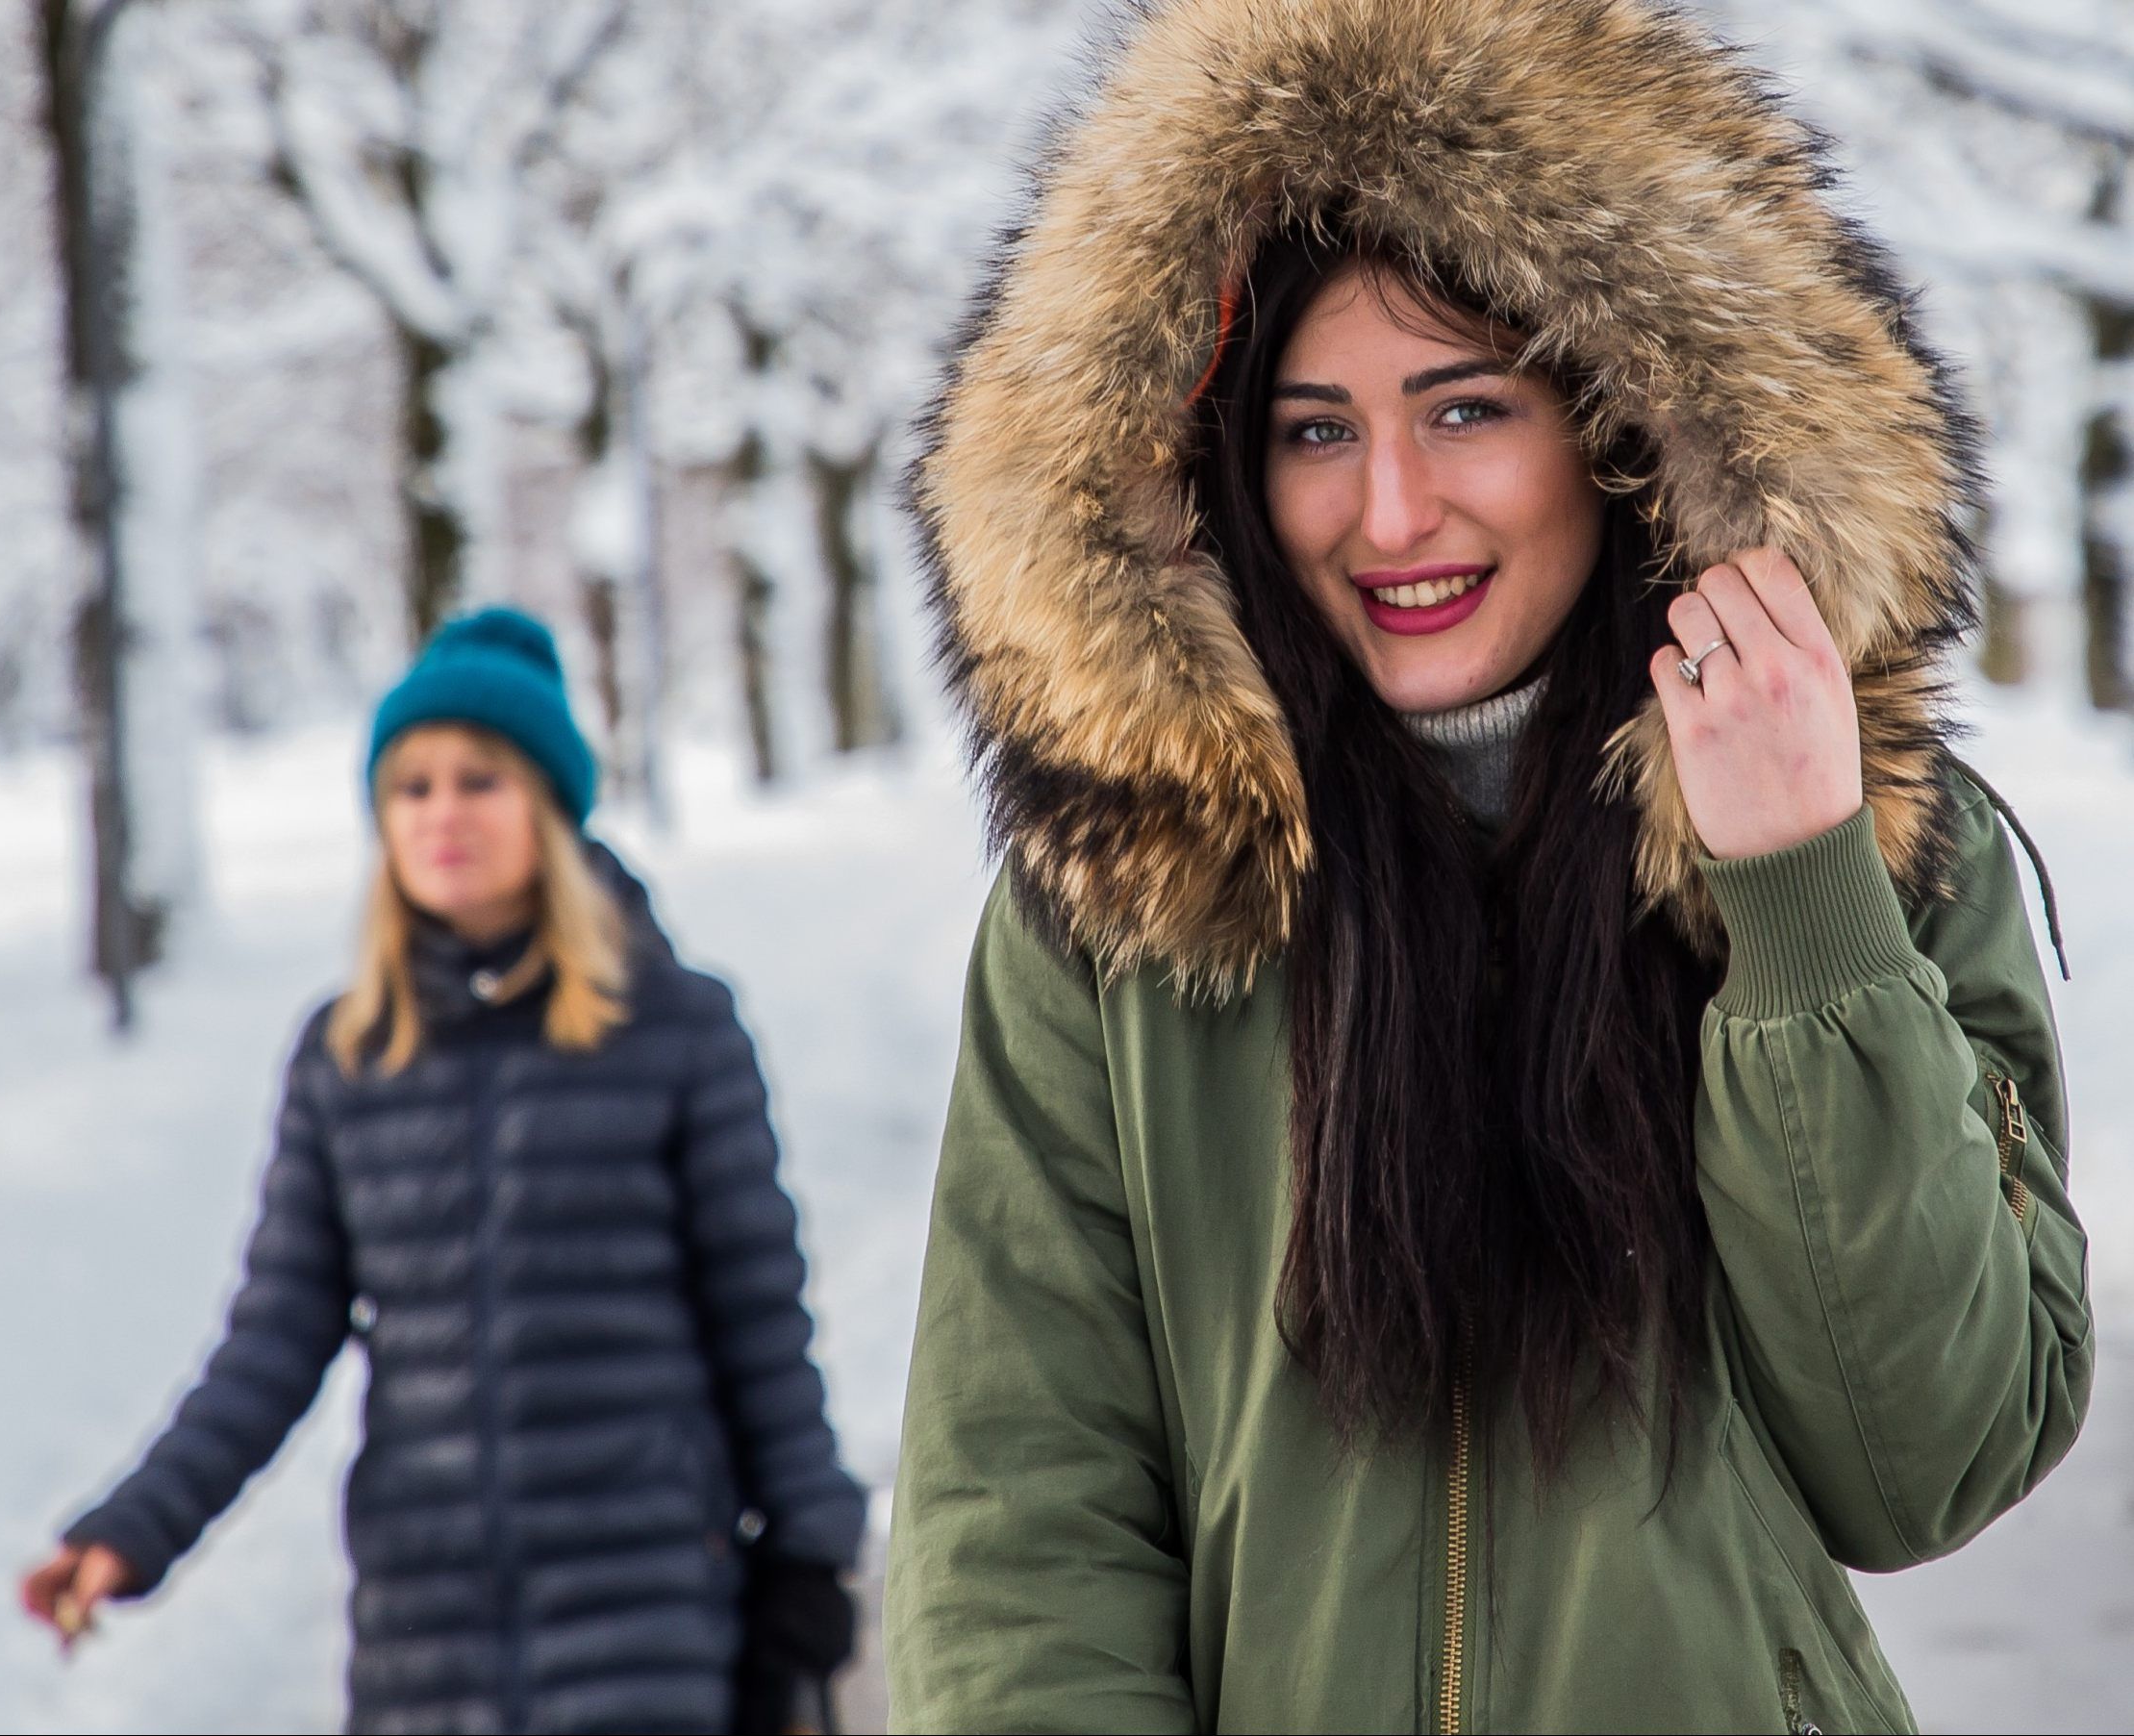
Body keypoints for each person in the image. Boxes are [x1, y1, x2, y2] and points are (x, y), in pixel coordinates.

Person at [884, 1, 2092, 1730]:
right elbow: (1019, 1521)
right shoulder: (1129, 897)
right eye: (1313, 431)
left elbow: (1925, 1458)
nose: (1388, 514)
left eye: (1464, 411)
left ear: (1619, 420)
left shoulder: (1877, 833)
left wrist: (1796, 897)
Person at [21, 607, 864, 1735]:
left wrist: (810, 1559)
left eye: (481, 779)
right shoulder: (348, 1053)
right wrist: (131, 1528)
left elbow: (760, 1319)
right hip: (426, 1638)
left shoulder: (677, 1027)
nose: (443, 813)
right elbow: (271, 1341)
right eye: (412, 787)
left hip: (649, 1615)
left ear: (549, 807)